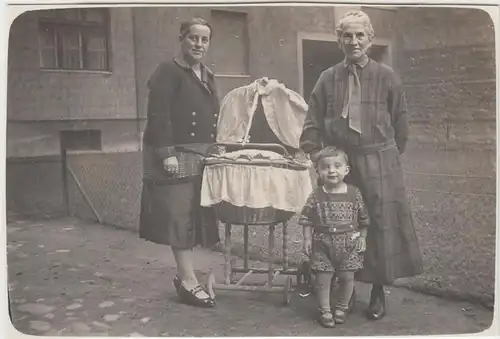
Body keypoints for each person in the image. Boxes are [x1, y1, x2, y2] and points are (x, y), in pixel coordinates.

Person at [299, 10, 423, 320]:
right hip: (339, 162)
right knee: (338, 225)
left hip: (379, 160)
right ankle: (346, 289)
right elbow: (312, 120)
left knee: (379, 225)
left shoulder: (386, 76)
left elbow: (401, 122)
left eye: (359, 35)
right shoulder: (328, 78)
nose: (353, 41)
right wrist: (318, 155)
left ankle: (378, 291)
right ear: (338, 40)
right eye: (347, 35)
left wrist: (389, 156)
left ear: (370, 39)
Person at [139, 17, 220, 308]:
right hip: (174, 154)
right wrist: (166, 153)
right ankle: (187, 281)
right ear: (182, 39)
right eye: (193, 38)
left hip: (199, 155)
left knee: (191, 218)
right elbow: (158, 115)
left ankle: (186, 277)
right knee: (180, 219)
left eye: (204, 40)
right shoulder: (167, 71)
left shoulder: (207, 74)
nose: (199, 44)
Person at [298, 146, 369, 328]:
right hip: (322, 243)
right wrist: (306, 239)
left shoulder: (354, 193)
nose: (331, 171)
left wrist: (362, 237)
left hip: (349, 243)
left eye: (337, 166)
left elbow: (363, 219)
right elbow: (306, 218)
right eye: (325, 167)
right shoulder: (316, 195)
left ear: (346, 170)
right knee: (323, 278)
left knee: (347, 277)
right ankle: (325, 310)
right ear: (318, 171)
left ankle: (341, 308)